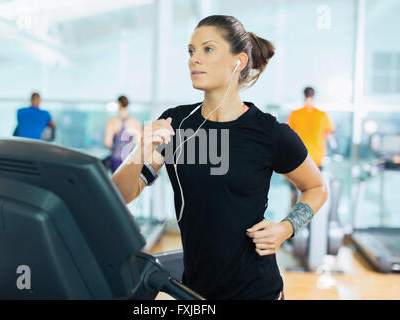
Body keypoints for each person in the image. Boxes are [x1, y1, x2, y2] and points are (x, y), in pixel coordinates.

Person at [111, 15, 328, 300]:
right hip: (195, 291)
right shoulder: (175, 124)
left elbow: (317, 188)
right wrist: (140, 150)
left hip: (257, 290)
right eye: (191, 51)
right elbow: (120, 195)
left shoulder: (269, 133)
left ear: (237, 61)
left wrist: (286, 228)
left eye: (207, 49)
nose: (194, 59)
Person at [286, 87, 335, 208]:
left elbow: (289, 134)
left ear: (304, 95)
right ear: (314, 96)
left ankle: (293, 220)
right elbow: (329, 135)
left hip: (299, 157)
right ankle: (311, 219)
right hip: (316, 159)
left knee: (295, 190)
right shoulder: (321, 115)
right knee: (314, 190)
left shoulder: (295, 114)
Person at [104, 96, 142, 173]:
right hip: (131, 160)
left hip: (117, 160)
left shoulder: (112, 122)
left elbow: (108, 143)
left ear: (119, 104)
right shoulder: (136, 123)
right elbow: (139, 144)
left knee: (116, 184)